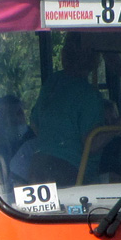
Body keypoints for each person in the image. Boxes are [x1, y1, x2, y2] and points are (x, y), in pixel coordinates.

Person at [29, 35, 105, 186]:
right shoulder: (88, 94)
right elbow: (92, 144)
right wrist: (119, 126)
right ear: (93, 58)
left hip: (37, 168)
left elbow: (34, 123)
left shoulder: (53, 82)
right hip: (70, 174)